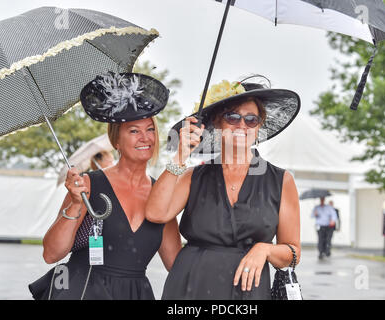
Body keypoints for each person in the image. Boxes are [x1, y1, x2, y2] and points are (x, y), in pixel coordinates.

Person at [145, 76, 301, 299]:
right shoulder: (192, 176)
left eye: (251, 120)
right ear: (217, 123)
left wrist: (264, 249)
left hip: (249, 293)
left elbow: (293, 252)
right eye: (233, 117)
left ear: (259, 127)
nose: (242, 125)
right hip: (191, 288)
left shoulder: (282, 181)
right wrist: (181, 156)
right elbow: (155, 213)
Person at [29, 72, 181, 300]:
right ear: (116, 141)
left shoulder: (163, 195)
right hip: (81, 290)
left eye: (150, 129)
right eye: (134, 131)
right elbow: (51, 254)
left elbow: (175, 265)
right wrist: (76, 205)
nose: (145, 138)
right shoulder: (89, 184)